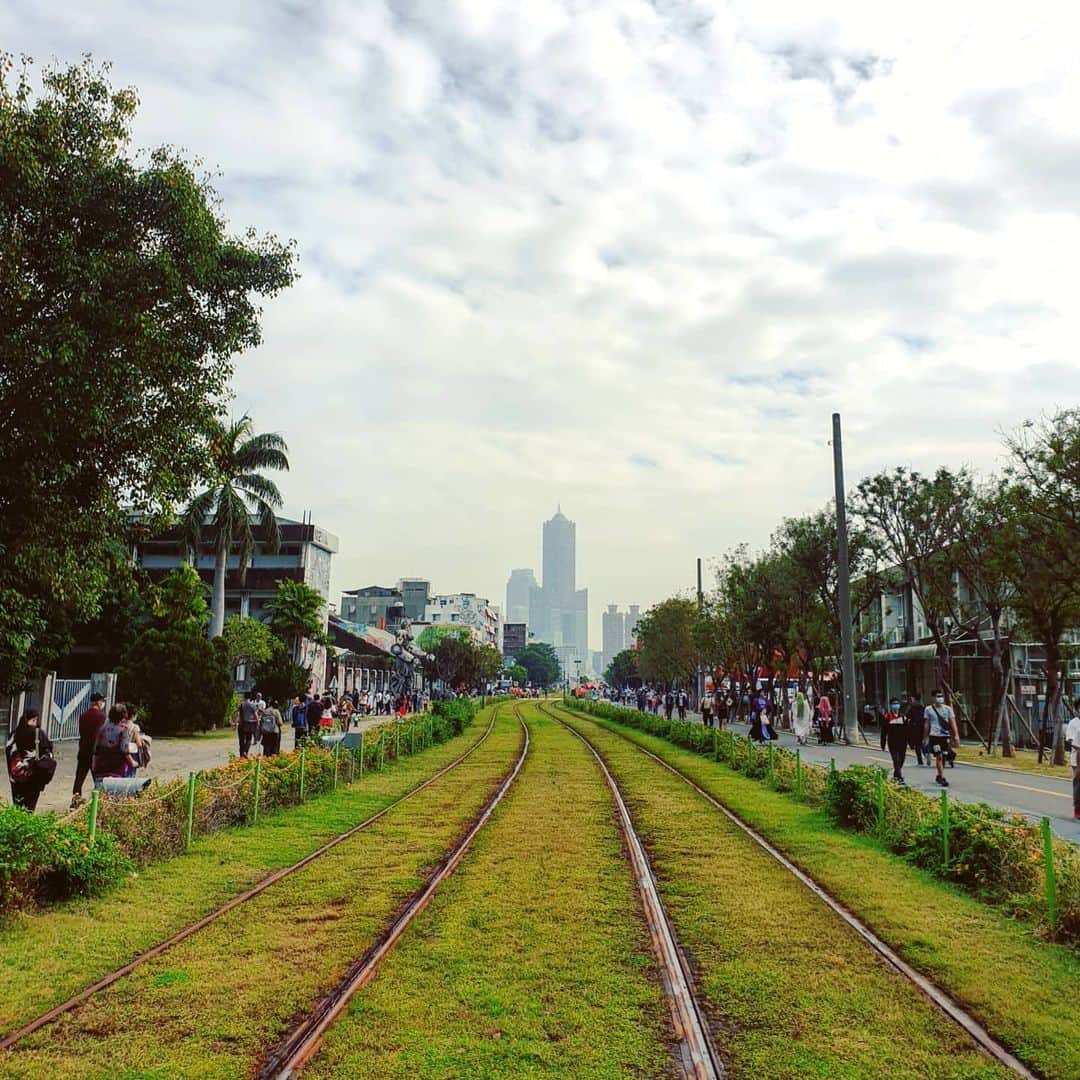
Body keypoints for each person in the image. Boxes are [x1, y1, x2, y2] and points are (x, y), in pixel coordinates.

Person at [6, 709, 55, 812]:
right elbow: (48, 753)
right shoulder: (38, 733)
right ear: (34, 719)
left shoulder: (13, 734)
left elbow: (9, 754)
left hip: (16, 778)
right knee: (29, 808)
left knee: (18, 806)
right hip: (32, 778)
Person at [71, 691, 107, 808]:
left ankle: (75, 801)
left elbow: (82, 732)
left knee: (79, 778)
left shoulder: (83, 715)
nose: (103, 703)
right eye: (102, 701)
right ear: (98, 702)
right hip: (94, 753)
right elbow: (100, 735)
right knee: (98, 779)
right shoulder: (101, 717)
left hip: (83, 750)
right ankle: (100, 801)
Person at [92, 705, 137, 785]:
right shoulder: (124, 729)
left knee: (100, 789)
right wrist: (132, 762)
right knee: (115, 791)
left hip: (101, 764)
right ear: (123, 715)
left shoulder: (103, 728)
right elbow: (124, 750)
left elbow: (96, 748)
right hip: (116, 766)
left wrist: (94, 764)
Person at [924, 688, 960, 787]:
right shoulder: (928, 709)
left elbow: (952, 723)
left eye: (941, 696)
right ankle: (942, 777)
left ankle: (939, 774)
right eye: (938, 696)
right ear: (933, 698)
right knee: (939, 756)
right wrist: (925, 737)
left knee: (944, 755)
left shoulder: (948, 709)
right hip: (934, 736)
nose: (940, 698)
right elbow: (926, 724)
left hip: (945, 736)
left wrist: (956, 735)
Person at [880, 697, 908, 783]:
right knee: (896, 760)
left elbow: (908, 731)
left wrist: (910, 743)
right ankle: (899, 777)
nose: (896, 705)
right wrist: (883, 744)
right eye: (894, 704)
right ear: (891, 706)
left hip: (903, 743)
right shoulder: (887, 717)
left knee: (902, 760)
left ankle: (896, 775)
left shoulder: (903, 717)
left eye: (897, 703)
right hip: (892, 743)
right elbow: (883, 732)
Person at [1065, 698, 1080, 821]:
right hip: (1078, 760)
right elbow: (1071, 740)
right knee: (1078, 785)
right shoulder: (1074, 723)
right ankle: (1077, 809)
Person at [236, 692, 260, 759]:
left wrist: (236, 722)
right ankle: (245, 752)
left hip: (241, 724)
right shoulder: (252, 705)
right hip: (250, 724)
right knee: (248, 739)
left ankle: (241, 755)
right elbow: (255, 715)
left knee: (241, 740)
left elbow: (238, 714)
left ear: (244, 697)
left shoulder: (241, 704)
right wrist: (258, 723)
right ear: (250, 697)